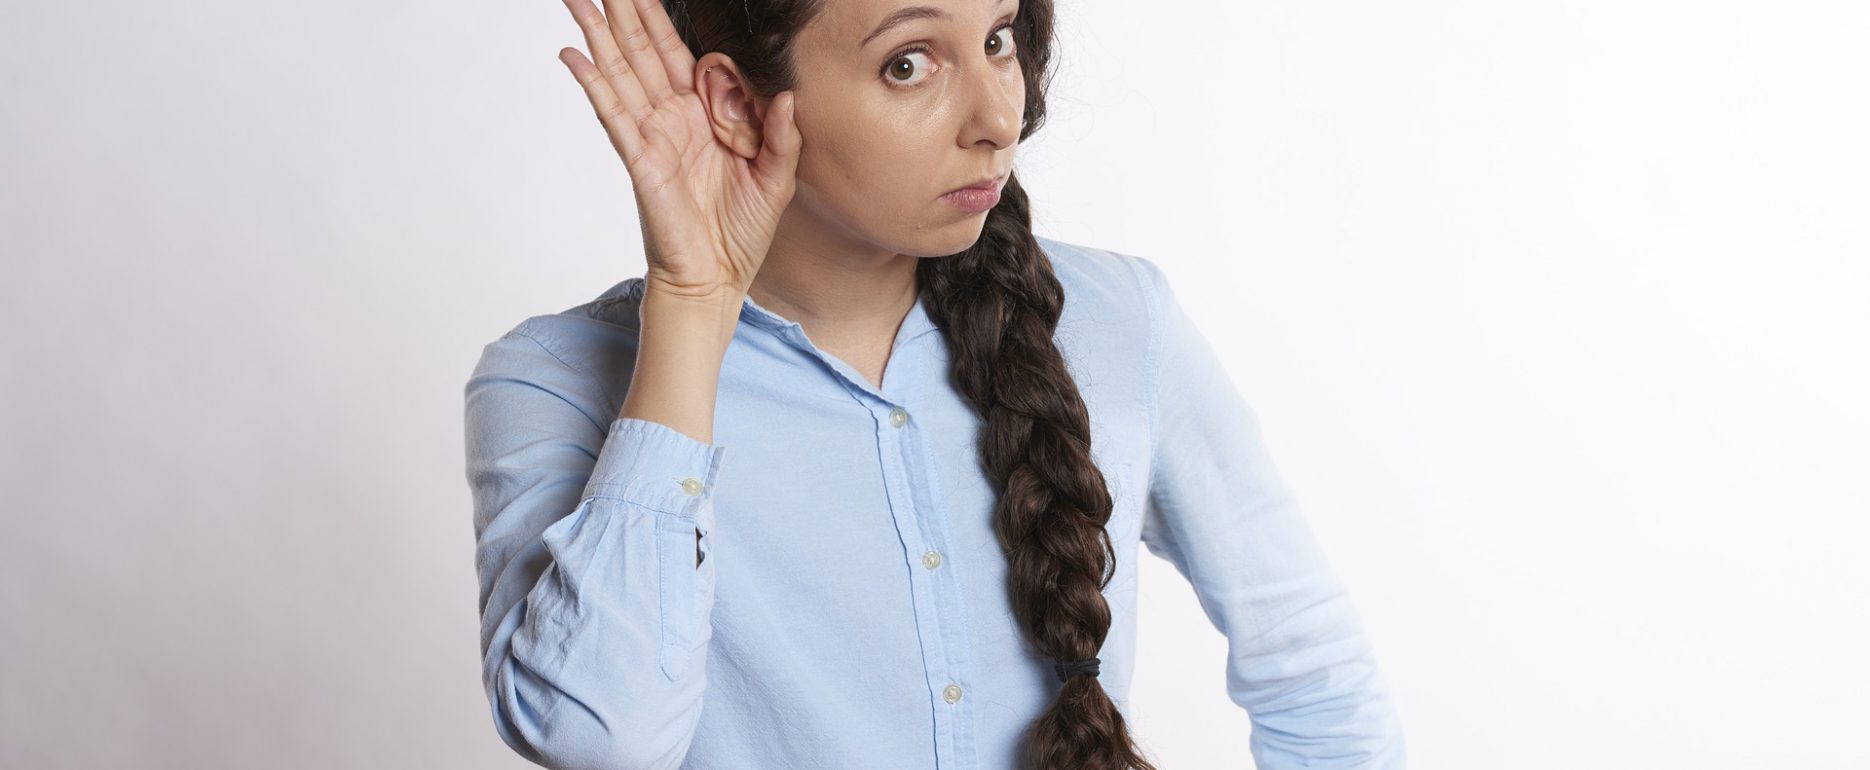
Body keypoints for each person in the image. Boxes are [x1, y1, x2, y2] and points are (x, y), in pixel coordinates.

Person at [462, 0, 1408, 767]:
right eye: (909, 63)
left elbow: (1313, 675)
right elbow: (599, 737)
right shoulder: (552, 383)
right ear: (739, 103)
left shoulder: (1123, 323)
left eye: (997, 39)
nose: (1001, 117)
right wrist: (694, 301)